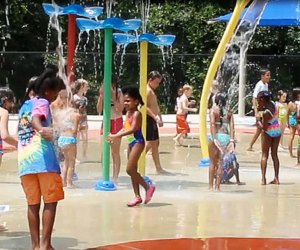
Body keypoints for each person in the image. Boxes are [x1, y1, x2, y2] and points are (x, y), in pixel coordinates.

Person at [18, 68, 65, 250]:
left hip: (25, 163)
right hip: (44, 162)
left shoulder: (24, 106)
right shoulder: (43, 102)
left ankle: (35, 245)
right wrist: (42, 129)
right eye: (56, 92)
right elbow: (36, 119)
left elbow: (25, 127)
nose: (56, 97)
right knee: (50, 202)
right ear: (48, 91)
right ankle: (45, 245)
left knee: (32, 204)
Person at [107, 86, 155, 207]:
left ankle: (148, 187)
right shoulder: (128, 113)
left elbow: (133, 129)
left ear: (136, 101)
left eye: (128, 100)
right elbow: (125, 127)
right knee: (133, 171)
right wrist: (115, 134)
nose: (126, 103)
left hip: (138, 142)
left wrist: (116, 136)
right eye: (125, 100)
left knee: (129, 170)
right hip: (131, 143)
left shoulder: (137, 114)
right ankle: (137, 196)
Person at [97, 75, 124, 184]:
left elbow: (120, 109)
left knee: (115, 151)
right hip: (106, 120)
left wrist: (113, 96)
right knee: (105, 150)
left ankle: (115, 177)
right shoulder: (103, 93)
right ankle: (105, 175)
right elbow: (99, 110)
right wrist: (101, 96)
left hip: (116, 120)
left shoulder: (119, 92)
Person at [53, 89, 81, 188]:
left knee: (65, 161)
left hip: (61, 139)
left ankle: (63, 182)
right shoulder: (76, 115)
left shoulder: (62, 113)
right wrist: (79, 128)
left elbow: (57, 125)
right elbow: (74, 130)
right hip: (70, 139)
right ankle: (69, 183)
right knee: (72, 162)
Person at [208, 93, 235, 191]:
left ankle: (210, 187)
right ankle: (218, 187)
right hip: (226, 137)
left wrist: (214, 138)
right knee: (220, 163)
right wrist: (231, 140)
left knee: (212, 163)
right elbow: (232, 127)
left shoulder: (213, 110)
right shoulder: (229, 111)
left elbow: (212, 125)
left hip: (216, 136)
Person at [0, 87, 18, 232]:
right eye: (11, 102)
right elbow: (5, 136)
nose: (12, 106)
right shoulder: (3, 112)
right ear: (5, 100)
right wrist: (21, 145)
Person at [145, 71, 169, 175]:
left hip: (154, 119)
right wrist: (155, 117)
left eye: (159, 82)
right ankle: (136, 160)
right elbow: (144, 107)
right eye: (156, 82)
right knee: (151, 143)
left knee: (155, 143)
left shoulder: (152, 90)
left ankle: (158, 168)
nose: (158, 85)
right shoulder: (147, 91)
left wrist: (160, 117)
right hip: (149, 119)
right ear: (150, 80)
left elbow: (155, 106)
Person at [256, 91, 281, 185]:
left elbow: (265, 127)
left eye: (259, 100)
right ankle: (276, 178)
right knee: (274, 155)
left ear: (262, 99)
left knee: (264, 155)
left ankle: (263, 179)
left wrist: (259, 123)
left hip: (268, 132)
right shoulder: (273, 104)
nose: (258, 102)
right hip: (277, 131)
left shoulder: (266, 112)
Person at [247, 68, 271, 151]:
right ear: (262, 76)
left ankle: (253, 146)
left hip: (263, 109)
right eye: (267, 75)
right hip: (259, 109)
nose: (269, 77)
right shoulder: (259, 85)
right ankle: (257, 146)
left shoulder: (266, 85)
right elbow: (254, 98)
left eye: (269, 75)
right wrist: (256, 112)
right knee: (261, 128)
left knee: (261, 128)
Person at [73, 78, 89, 161]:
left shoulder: (85, 98)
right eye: (86, 86)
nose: (88, 88)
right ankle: (75, 156)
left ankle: (84, 154)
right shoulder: (74, 97)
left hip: (84, 119)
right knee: (77, 138)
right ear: (82, 86)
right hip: (77, 120)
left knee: (85, 138)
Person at [287, 88, 300, 158]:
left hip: (291, 119)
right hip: (297, 120)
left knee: (291, 137)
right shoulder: (298, 103)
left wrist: (287, 122)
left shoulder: (290, 103)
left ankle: (291, 153)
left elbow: (287, 113)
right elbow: (298, 114)